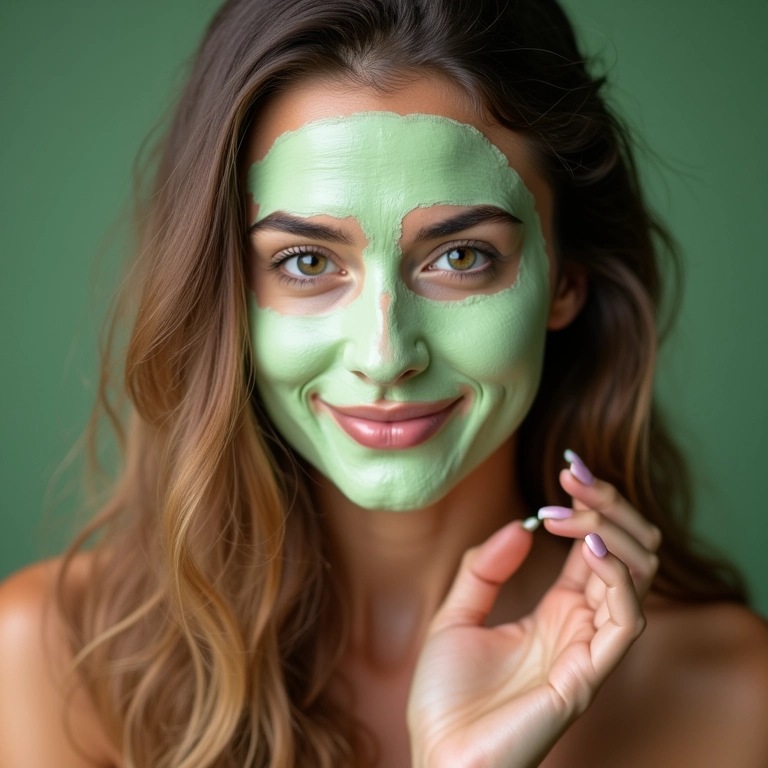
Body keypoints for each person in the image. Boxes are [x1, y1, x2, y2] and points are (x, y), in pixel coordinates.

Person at [0, 0, 767, 766]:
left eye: (461, 257)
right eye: (306, 261)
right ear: (225, 291)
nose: (384, 354)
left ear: (566, 279)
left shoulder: (731, 694)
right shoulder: (46, 662)